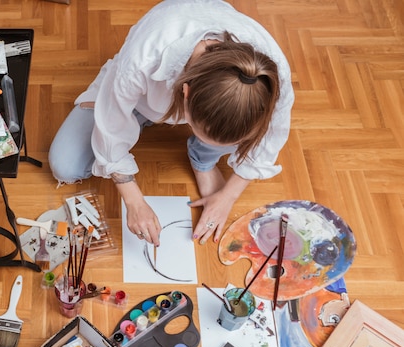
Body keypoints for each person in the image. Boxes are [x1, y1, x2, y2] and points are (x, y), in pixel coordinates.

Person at [48, 0, 294, 247]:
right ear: (185, 95)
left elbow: (271, 137)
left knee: (225, 134)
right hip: (139, 90)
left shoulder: (269, 76)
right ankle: (138, 115)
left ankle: (203, 158)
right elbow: (110, 127)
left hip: (195, 96)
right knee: (66, 166)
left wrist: (228, 197)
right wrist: (133, 200)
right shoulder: (142, 59)